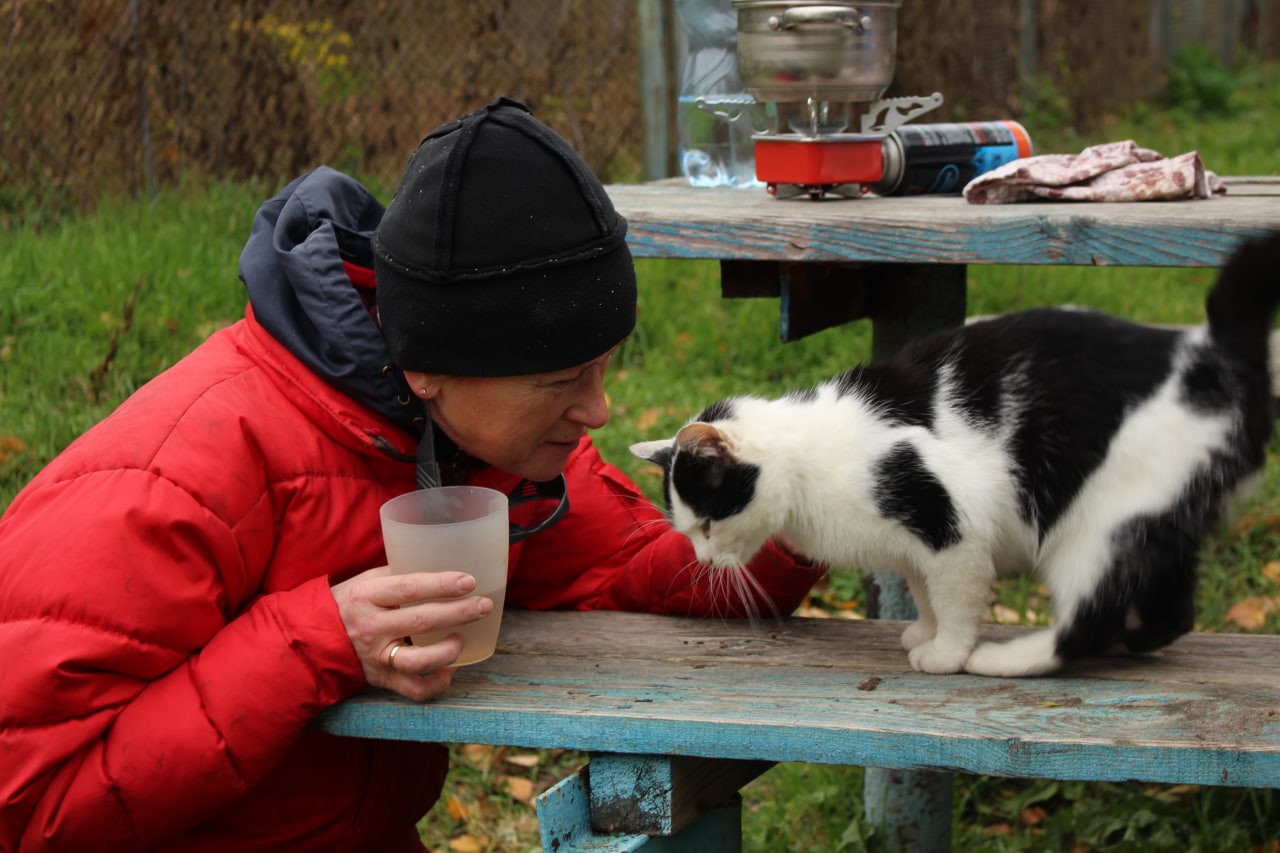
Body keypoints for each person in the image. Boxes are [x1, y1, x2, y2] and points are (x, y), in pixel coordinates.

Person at [0, 97, 823, 851]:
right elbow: (27, 807)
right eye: (563, 380)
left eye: (603, 368)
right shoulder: (170, 477)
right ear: (427, 365)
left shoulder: (481, 446)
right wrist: (315, 641)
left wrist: (795, 500)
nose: (599, 412)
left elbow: (631, 582)